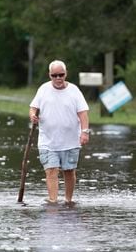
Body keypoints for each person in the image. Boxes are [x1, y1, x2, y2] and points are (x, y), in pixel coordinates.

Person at [29, 60, 90, 206]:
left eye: (61, 75)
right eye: (54, 75)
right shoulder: (43, 89)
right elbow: (33, 107)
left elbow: (83, 113)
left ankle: (68, 200)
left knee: (69, 171)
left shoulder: (74, 91)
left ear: (65, 74)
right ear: (49, 75)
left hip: (70, 140)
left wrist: (85, 132)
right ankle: (53, 201)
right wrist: (32, 115)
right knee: (51, 170)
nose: (58, 78)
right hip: (48, 140)